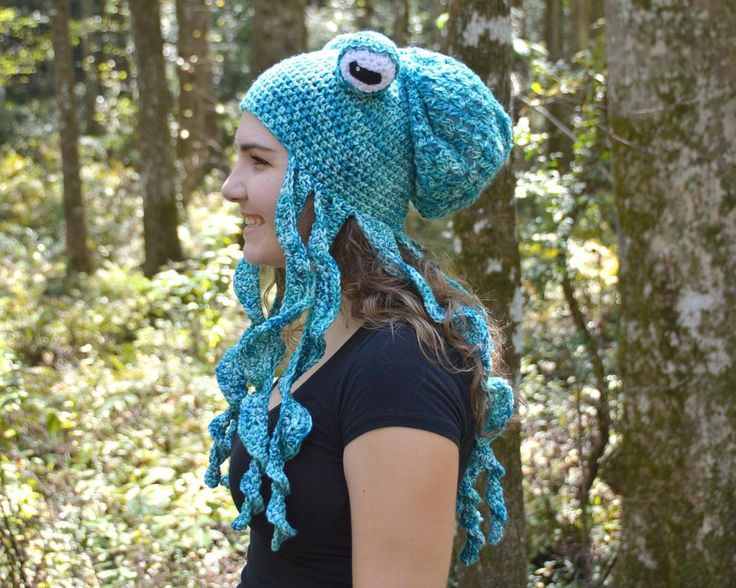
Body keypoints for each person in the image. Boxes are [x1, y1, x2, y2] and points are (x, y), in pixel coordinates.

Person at [204, 30, 516, 587]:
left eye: (258, 161)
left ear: (332, 186)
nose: (232, 187)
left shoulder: (400, 369)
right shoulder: (324, 335)